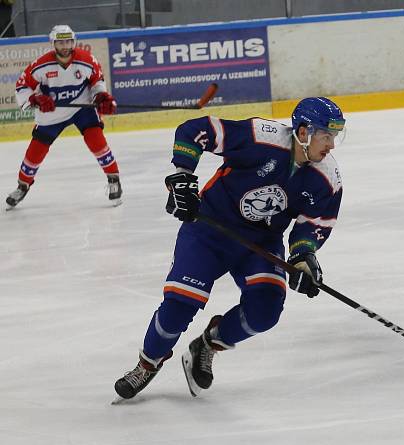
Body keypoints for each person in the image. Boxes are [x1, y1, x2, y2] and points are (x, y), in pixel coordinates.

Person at [114, 97, 346, 399]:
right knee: (180, 305)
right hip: (209, 229)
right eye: (326, 136)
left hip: (261, 243)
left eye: (334, 137)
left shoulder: (327, 178)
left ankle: (208, 344)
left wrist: (303, 256)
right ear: (303, 132)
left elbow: (315, 222)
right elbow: (195, 130)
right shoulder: (262, 138)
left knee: (265, 310)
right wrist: (182, 176)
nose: (331, 145)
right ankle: (148, 363)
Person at [7, 24, 120, 209]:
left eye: (68, 41)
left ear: (74, 42)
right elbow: (22, 86)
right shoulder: (41, 65)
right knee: (36, 151)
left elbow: (96, 80)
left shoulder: (86, 60)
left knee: (96, 140)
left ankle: (114, 178)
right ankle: (22, 186)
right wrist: (35, 98)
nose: (65, 46)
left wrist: (100, 96)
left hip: (81, 107)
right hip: (52, 113)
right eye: (60, 42)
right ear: (53, 44)